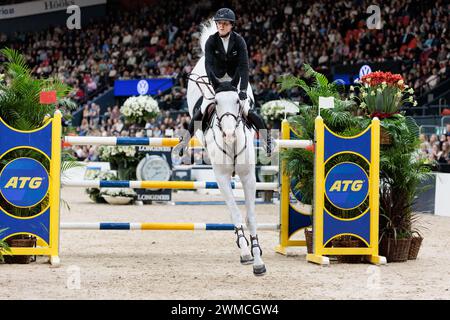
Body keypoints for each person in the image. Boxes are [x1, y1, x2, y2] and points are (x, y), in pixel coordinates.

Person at [187, 8, 273, 155]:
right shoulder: (211, 41)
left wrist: (244, 91)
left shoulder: (239, 41)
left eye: (225, 24)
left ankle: (267, 140)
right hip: (217, 81)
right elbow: (208, 66)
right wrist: (215, 86)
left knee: (247, 109)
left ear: (232, 25)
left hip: (236, 80)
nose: (221, 26)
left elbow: (244, 67)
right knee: (203, 108)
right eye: (219, 23)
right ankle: (184, 142)